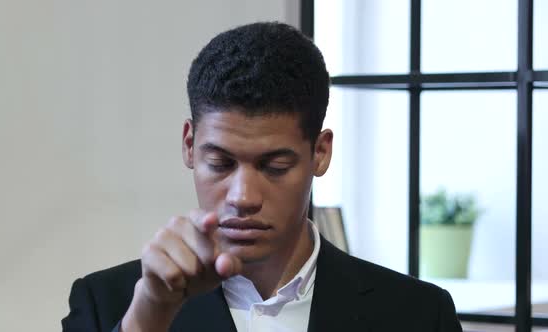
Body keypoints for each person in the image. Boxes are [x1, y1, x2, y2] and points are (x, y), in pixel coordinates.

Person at [62, 22, 462, 332]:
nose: (243, 196)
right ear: (189, 145)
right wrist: (149, 316)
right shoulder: (110, 302)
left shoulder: (418, 315)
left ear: (320, 153)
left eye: (274, 167)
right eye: (220, 163)